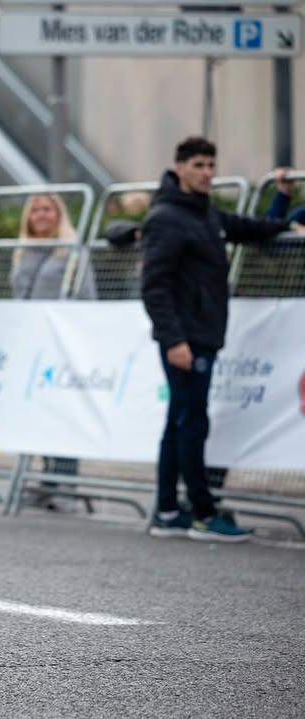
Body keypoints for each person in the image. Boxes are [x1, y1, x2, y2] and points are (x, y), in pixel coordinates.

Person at [142, 137, 298, 542]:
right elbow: (154, 286)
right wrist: (174, 340)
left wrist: (283, 206)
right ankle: (202, 514)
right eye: (199, 165)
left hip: (203, 334)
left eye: (212, 165)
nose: (208, 172)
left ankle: (167, 510)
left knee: (180, 422)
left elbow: (250, 229)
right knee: (191, 422)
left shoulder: (204, 213)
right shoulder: (167, 217)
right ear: (179, 168)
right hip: (186, 338)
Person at [9, 193, 95, 512]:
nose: (42, 215)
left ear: (59, 215)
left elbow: (87, 296)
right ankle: (48, 481)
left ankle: (66, 484)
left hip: (63, 346)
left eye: (48, 209)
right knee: (41, 413)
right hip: (32, 346)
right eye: (35, 210)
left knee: (66, 413)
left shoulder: (71, 251)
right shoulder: (21, 251)